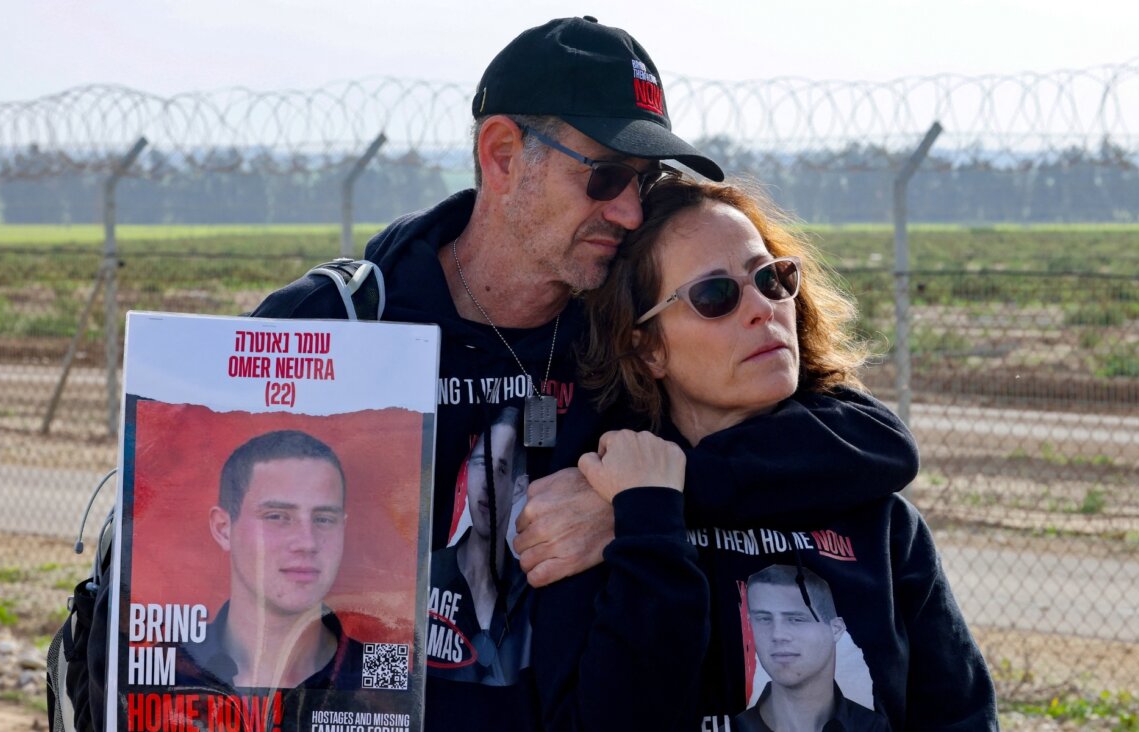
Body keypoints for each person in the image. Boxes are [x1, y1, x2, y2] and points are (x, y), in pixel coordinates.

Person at [251, 16, 920, 731]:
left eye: (645, 180)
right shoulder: (343, 322)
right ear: (503, 155)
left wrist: (650, 499)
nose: (630, 211)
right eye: (603, 177)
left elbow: (866, 444)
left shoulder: (627, 329)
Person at [538, 176, 997, 730]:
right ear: (648, 347)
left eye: (771, 277)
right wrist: (651, 530)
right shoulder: (601, 521)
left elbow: (960, 715)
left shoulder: (880, 520)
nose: (761, 308)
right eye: (715, 296)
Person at [178, 430, 365, 691]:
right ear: (223, 528)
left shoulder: (385, 681)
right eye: (277, 516)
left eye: (324, 519)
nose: (307, 543)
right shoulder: (166, 670)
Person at [428, 406, 533, 685]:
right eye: (479, 464)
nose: (486, 483)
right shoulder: (424, 575)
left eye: (500, 468)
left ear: (519, 487)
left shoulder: (530, 591)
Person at [736, 566, 886, 732]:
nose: (777, 634)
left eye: (796, 619)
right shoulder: (731, 728)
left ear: (836, 629)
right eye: (763, 619)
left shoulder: (876, 727)